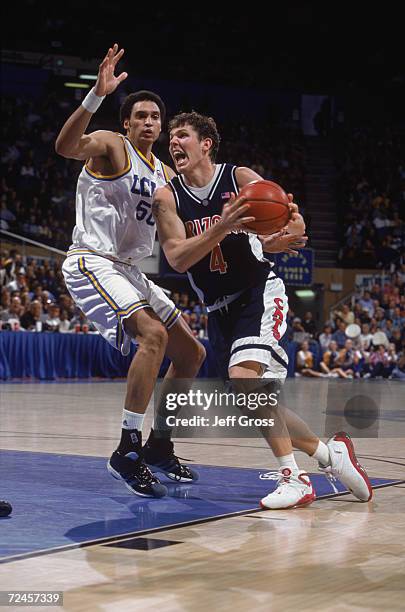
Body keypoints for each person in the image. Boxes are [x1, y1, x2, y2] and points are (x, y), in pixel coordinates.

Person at [152, 111, 372, 509]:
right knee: (253, 400)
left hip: (258, 291)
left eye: (181, 134)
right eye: (171, 136)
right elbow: (178, 259)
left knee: (244, 382)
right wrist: (224, 226)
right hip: (218, 310)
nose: (173, 142)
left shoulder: (238, 179)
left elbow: (291, 218)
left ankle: (295, 478)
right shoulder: (168, 197)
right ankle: (329, 456)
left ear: (206, 144)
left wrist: (290, 228)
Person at [55, 45, 205, 498]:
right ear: (127, 122)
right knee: (153, 338)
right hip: (92, 261)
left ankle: (160, 444)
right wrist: (95, 96)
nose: (148, 123)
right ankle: (128, 447)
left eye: (155, 118)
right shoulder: (111, 144)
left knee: (192, 354)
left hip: (131, 271)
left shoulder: (163, 172)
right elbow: (65, 147)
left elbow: (189, 226)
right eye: (140, 115)